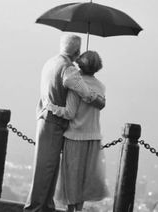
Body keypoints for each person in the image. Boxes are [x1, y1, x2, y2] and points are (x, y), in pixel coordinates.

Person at [24, 35, 105, 212]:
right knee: (46, 169)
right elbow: (85, 93)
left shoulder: (50, 62)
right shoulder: (68, 70)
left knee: (48, 168)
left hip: (43, 119)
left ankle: (45, 206)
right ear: (76, 52)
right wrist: (98, 100)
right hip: (54, 122)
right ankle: (36, 208)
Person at [46, 50, 109, 212]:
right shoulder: (100, 86)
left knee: (71, 180)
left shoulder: (76, 85)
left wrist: (51, 107)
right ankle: (79, 210)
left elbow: (69, 113)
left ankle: (70, 210)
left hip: (75, 138)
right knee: (84, 181)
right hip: (94, 138)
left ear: (80, 65)